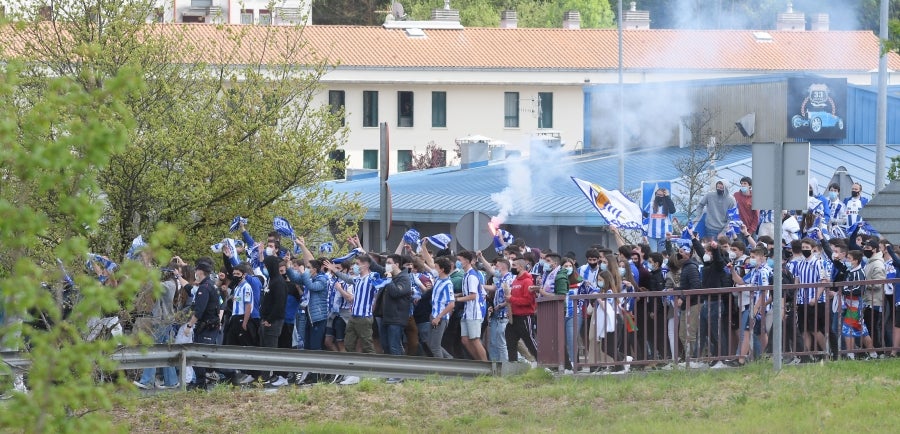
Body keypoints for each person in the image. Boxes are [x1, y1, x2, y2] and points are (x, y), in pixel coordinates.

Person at [184, 261, 221, 390]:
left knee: (199, 356)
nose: (196, 273)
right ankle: (200, 382)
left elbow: (199, 310)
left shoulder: (204, 288)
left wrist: (189, 326)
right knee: (201, 355)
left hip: (206, 327)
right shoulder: (211, 285)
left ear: (201, 271)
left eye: (197, 270)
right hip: (211, 326)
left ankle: (201, 384)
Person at [841, 250, 877, 359]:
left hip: (855, 305)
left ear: (856, 261)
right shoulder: (850, 271)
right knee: (860, 329)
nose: (847, 260)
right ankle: (872, 353)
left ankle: (851, 355)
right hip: (849, 304)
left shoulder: (859, 273)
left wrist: (844, 290)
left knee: (847, 329)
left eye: (849, 259)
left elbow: (859, 290)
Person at [456, 251, 487, 361]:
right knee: (465, 339)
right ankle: (478, 361)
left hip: (474, 312)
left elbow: (473, 296)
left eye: (460, 260)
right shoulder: (467, 275)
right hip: (467, 312)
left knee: (474, 339)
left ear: (467, 261)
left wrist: (457, 299)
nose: (458, 263)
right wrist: (459, 294)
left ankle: (486, 364)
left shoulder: (472, 276)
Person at [506, 259, 537, 364]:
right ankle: (513, 364)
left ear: (520, 267)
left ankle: (543, 361)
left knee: (530, 341)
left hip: (525, 316)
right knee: (510, 340)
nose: (512, 267)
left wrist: (511, 299)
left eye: (514, 265)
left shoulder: (527, 281)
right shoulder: (515, 281)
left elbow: (528, 301)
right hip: (514, 317)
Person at [429, 257, 456, 359]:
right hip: (434, 315)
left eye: (436, 267)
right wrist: (423, 248)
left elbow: (451, 304)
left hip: (440, 318)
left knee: (435, 347)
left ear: (442, 269)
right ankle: (449, 359)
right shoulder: (438, 279)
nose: (434, 268)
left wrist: (439, 317)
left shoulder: (447, 284)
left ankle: (442, 370)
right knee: (432, 343)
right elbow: (428, 262)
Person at [861, 239, 886, 352]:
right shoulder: (870, 262)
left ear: (874, 249)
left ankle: (878, 350)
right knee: (869, 326)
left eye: (867, 248)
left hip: (875, 301)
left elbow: (879, 283)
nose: (865, 250)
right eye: (864, 247)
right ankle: (872, 351)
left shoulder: (877, 263)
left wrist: (864, 285)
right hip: (868, 300)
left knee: (873, 327)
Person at [645, 187, 677, 252]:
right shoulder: (651, 204)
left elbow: (672, 210)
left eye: (661, 195)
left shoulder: (667, 205)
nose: (659, 196)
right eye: (657, 195)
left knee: (661, 255)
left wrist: (667, 196)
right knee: (653, 254)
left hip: (663, 235)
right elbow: (644, 216)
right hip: (651, 235)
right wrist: (644, 233)